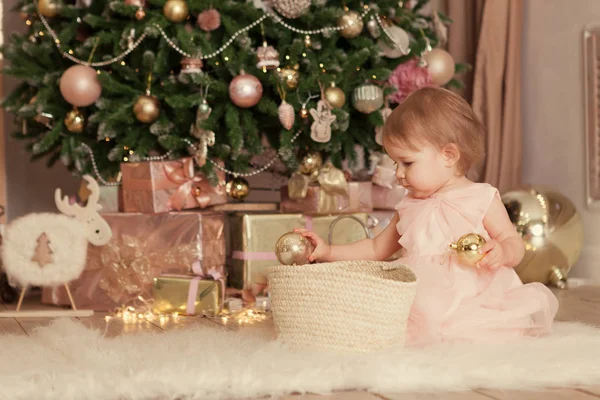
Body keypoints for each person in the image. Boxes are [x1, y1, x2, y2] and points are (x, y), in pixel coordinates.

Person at [296, 87, 558, 347]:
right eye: (395, 163)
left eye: (407, 163)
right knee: (390, 328)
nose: (398, 173)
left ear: (448, 155)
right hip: (421, 301)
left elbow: (512, 241)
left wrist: (502, 250)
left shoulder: (482, 198)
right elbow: (376, 248)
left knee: (485, 334)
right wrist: (329, 251)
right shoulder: (409, 207)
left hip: (475, 299)